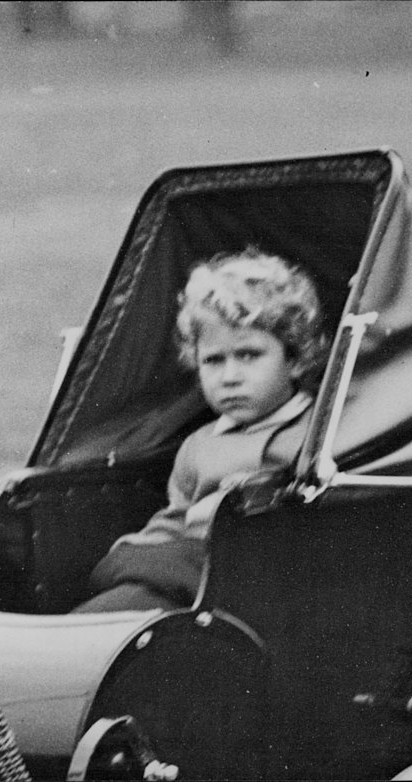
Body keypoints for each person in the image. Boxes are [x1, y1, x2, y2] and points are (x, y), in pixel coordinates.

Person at [73, 247, 328, 613]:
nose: (230, 377)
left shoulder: (317, 431)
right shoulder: (200, 444)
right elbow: (176, 518)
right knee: (118, 589)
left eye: (249, 355)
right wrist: (134, 553)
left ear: (295, 358)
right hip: (185, 580)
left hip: (259, 579)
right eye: (213, 361)